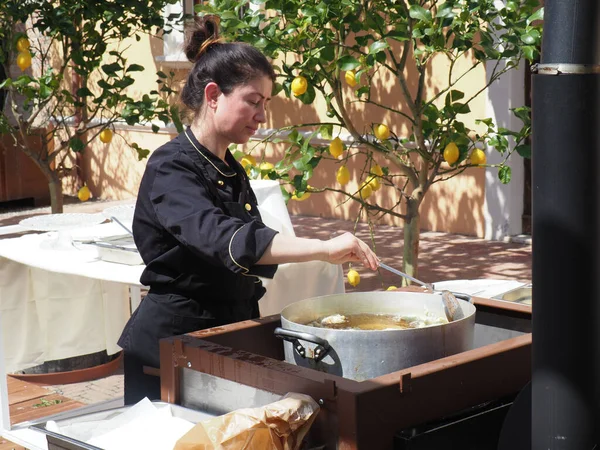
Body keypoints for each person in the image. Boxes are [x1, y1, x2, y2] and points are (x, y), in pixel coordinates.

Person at [117, 14, 378, 405]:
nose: (261, 116)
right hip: (173, 345)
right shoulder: (171, 166)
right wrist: (322, 248)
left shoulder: (228, 166)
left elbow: (249, 252)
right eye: (253, 102)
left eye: (266, 103)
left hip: (227, 332)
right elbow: (226, 240)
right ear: (212, 96)